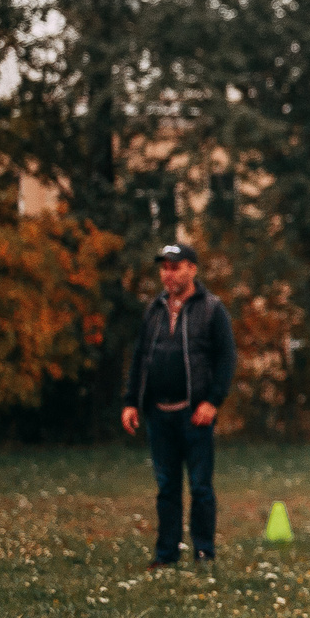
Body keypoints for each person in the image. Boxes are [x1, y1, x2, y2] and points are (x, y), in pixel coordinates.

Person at [121, 242, 238, 567]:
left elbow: (227, 359)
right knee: (166, 489)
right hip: (159, 414)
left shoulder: (212, 308)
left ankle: (204, 552)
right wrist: (131, 401)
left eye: (175, 266)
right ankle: (166, 554)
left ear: (192, 269)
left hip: (195, 414)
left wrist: (213, 402)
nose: (168, 274)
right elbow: (140, 358)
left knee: (200, 487)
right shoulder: (154, 310)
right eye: (164, 268)